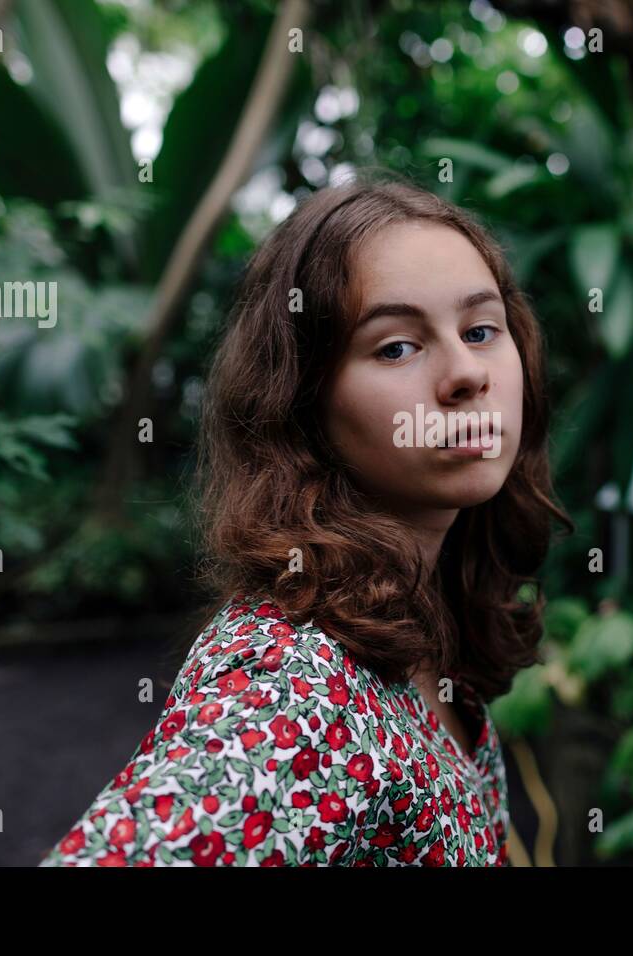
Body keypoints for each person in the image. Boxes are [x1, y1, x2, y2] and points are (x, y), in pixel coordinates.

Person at [39, 171, 570, 866]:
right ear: (302, 406)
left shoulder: (419, 630)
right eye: (396, 346)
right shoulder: (295, 685)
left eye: (480, 329)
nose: (466, 373)